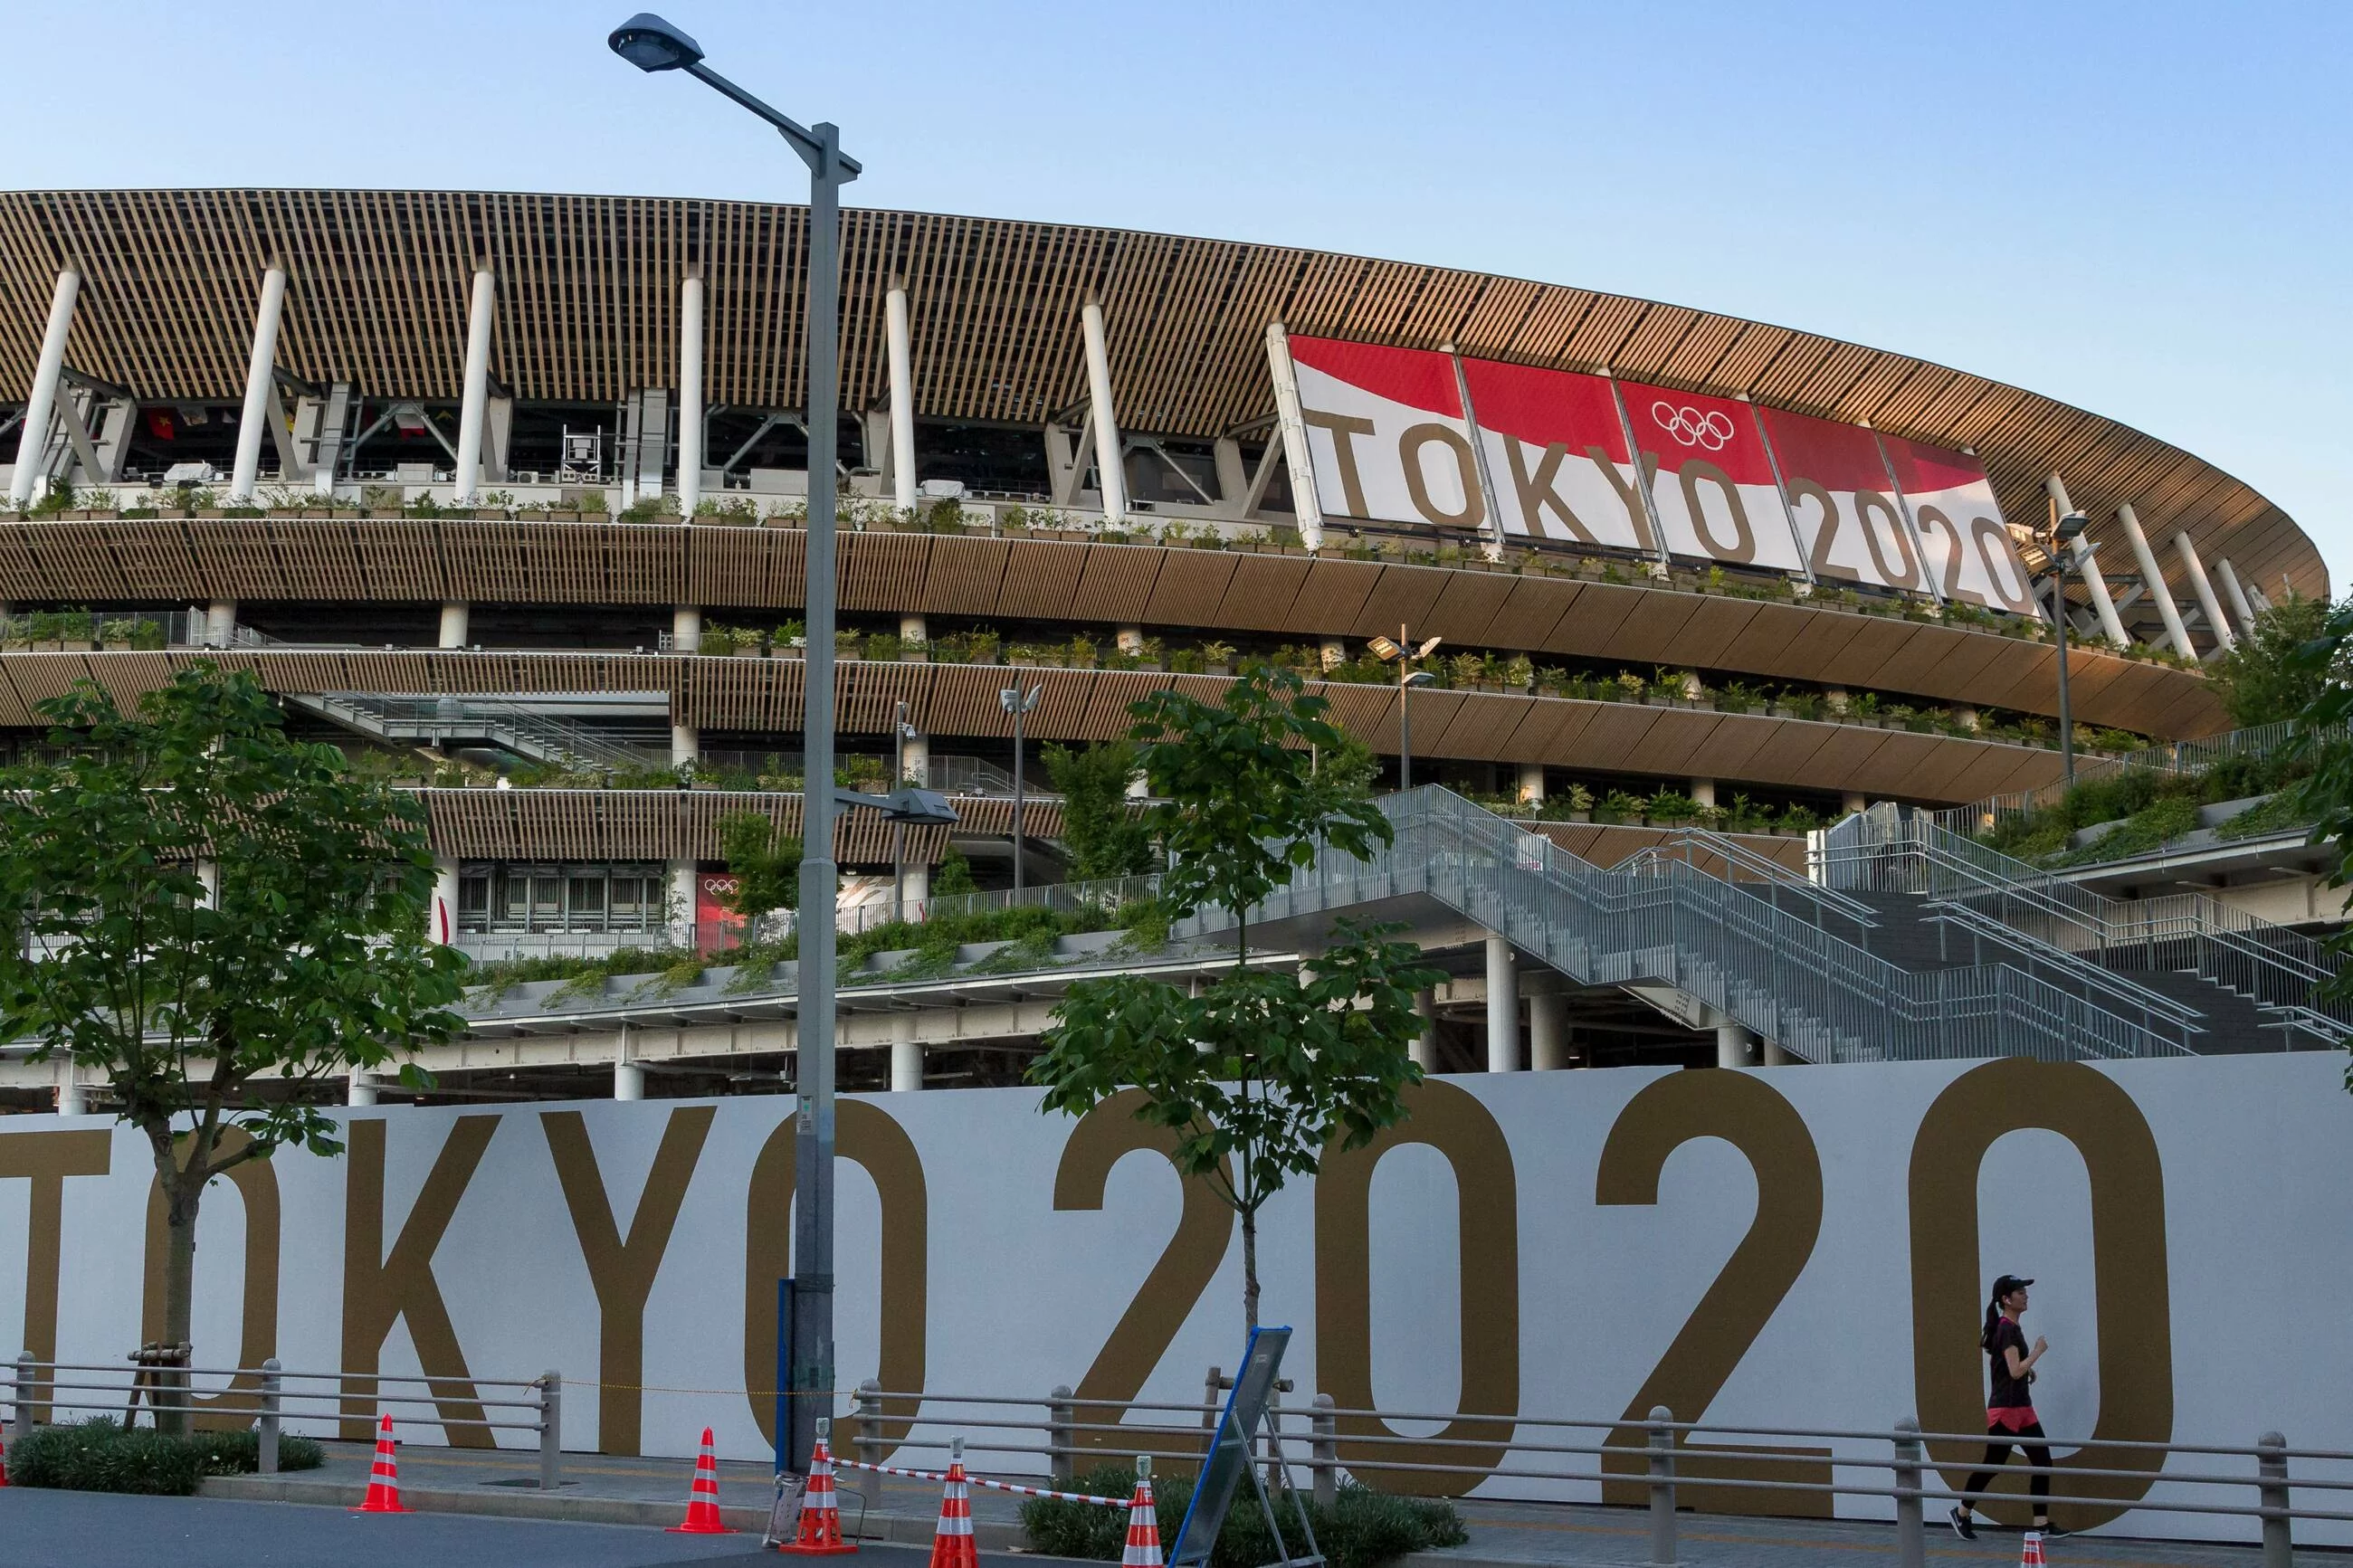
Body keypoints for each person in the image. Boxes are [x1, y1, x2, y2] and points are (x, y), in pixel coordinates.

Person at [1949, 1274, 2067, 1540]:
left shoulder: (2011, 1328)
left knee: (2042, 1461)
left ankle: (2041, 1523)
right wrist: (2037, 1352)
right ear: (2006, 1299)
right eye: (2020, 1292)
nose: (2026, 1296)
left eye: (2025, 1292)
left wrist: (2029, 1371)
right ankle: (1962, 1512)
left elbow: (2008, 1368)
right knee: (1993, 1463)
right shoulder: (2006, 1329)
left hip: (2022, 1407)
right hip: (2005, 1409)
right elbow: (2014, 1371)